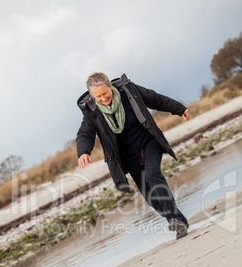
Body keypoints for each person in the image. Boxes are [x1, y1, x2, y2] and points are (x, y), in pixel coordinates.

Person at [76, 72, 190, 239]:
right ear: (92, 96)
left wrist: (178, 108)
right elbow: (85, 134)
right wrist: (83, 151)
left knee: (153, 175)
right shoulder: (92, 112)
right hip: (128, 158)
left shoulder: (130, 91)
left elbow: (154, 99)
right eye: (98, 96)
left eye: (105, 93)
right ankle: (178, 220)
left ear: (111, 86)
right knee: (152, 199)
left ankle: (174, 218)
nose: (103, 98)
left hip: (148, 143)